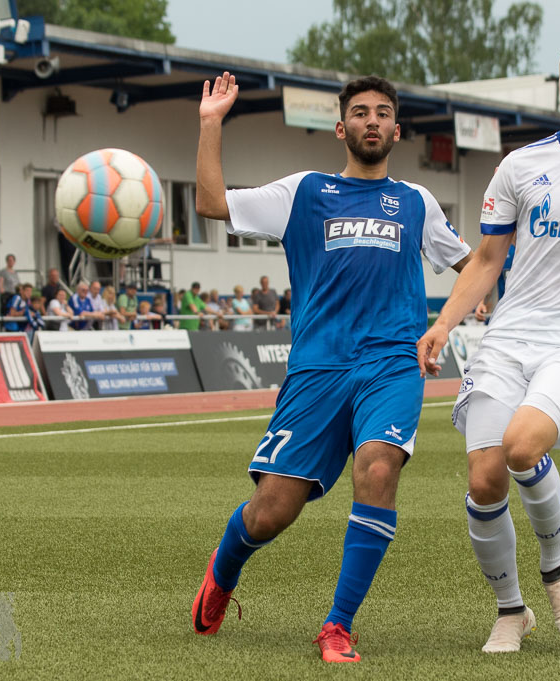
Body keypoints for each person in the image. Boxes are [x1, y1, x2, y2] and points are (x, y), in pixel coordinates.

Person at [191, 72, 471, 663]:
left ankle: (338, 625)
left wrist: (462, 316)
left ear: (397, 129)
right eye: (362, 112)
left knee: (377, 470)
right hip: (317, 369)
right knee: (271, 513)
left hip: (392, 365)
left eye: (384, 113)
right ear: (342, 127)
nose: (373, 121)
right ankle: (223, 571)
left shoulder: (417, 203)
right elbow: (211, 203)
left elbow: (476, 265)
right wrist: (211, 123)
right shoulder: (305, 191)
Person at [416, 36, 560, 653]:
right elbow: (487, 258)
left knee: (523, 447)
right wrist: (445, 321)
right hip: (508, 336)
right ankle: (510, 610)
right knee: (484, 479)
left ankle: (557, 568)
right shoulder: (521, 165)